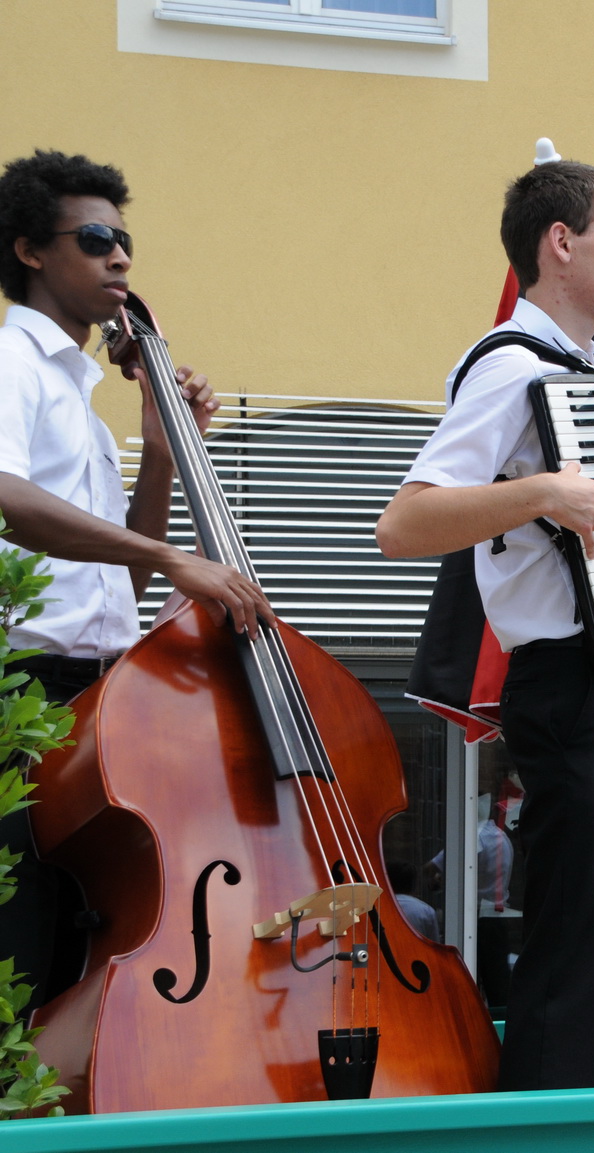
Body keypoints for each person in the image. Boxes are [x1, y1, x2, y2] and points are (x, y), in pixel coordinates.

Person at [375, 159, 594, 1091]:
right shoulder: (511, 365)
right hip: (572, 688)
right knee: (577, 964)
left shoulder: (585, 369)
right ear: (560, 243)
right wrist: (542, 490)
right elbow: (404, 523)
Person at [0, 149, 274, 1008]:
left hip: (95, 693)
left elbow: (122, 567)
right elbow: (5, 497)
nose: (120, 257)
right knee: (23, 940)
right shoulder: (12, 361)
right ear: (30, 251)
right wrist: (172, 560)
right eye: (94, 239)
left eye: (124, 241)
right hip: (25, 692)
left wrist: (160, 450)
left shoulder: (76, 399)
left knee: (75, 938)